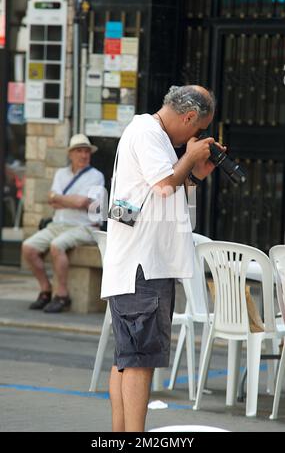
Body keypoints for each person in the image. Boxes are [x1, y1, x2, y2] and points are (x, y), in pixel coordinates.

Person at [100, 85, 223, 432]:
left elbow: (166, 194)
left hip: (137, 263)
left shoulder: (146, 131)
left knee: (126, 358)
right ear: (188, 117)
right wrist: (189, 157)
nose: (196, 136)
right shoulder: (148, 133)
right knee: (140, 361)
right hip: (144, 266)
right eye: (197, 129)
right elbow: (165, 185)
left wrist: (197, 172)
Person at [22, 134, 105, 314]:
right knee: (28, 248)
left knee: (56, 246)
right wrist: (71, 200)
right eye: (79, 151)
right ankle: (45, 290)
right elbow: (52, 200)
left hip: (85, 227)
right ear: (71, 154)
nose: (84, 155)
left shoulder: (95, 176)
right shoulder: (61, 173)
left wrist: (60, 199)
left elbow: (80, 203)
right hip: (57, 224)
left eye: (86, 151)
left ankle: (62, 294)